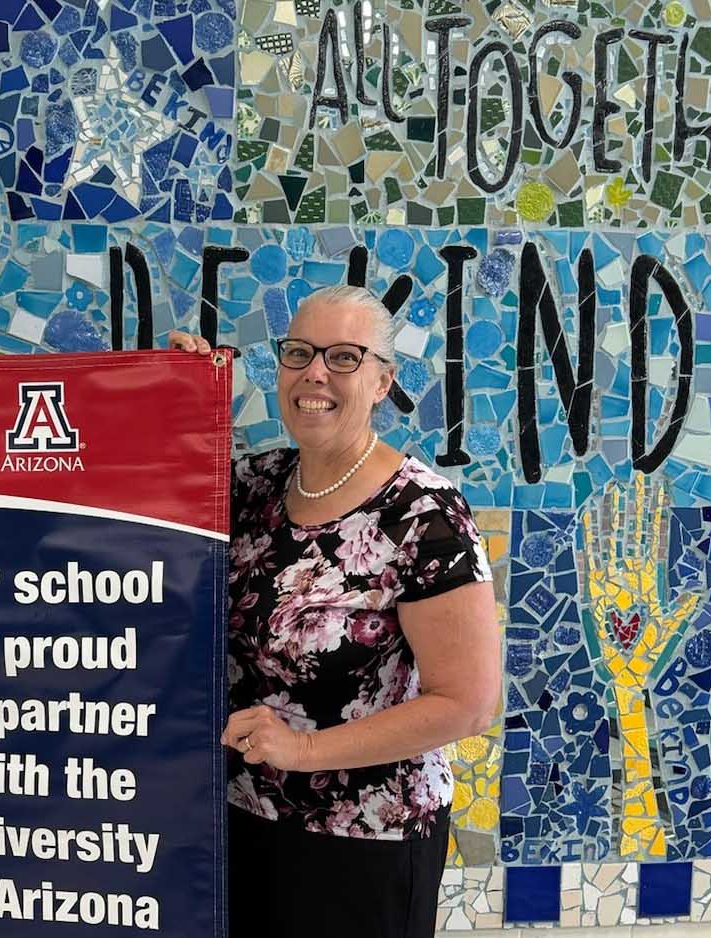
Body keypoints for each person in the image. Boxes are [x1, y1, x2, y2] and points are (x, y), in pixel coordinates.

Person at [172, 285, 501, 938]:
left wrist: (303, 750)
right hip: (235, 823)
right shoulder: (249, 484)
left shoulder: (424, 515)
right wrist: (171, 394)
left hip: (362, 844)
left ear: (382, 380)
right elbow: (139, 510)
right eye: (298, 353)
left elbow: (465, 702)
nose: (314, 373)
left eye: (344, 357)